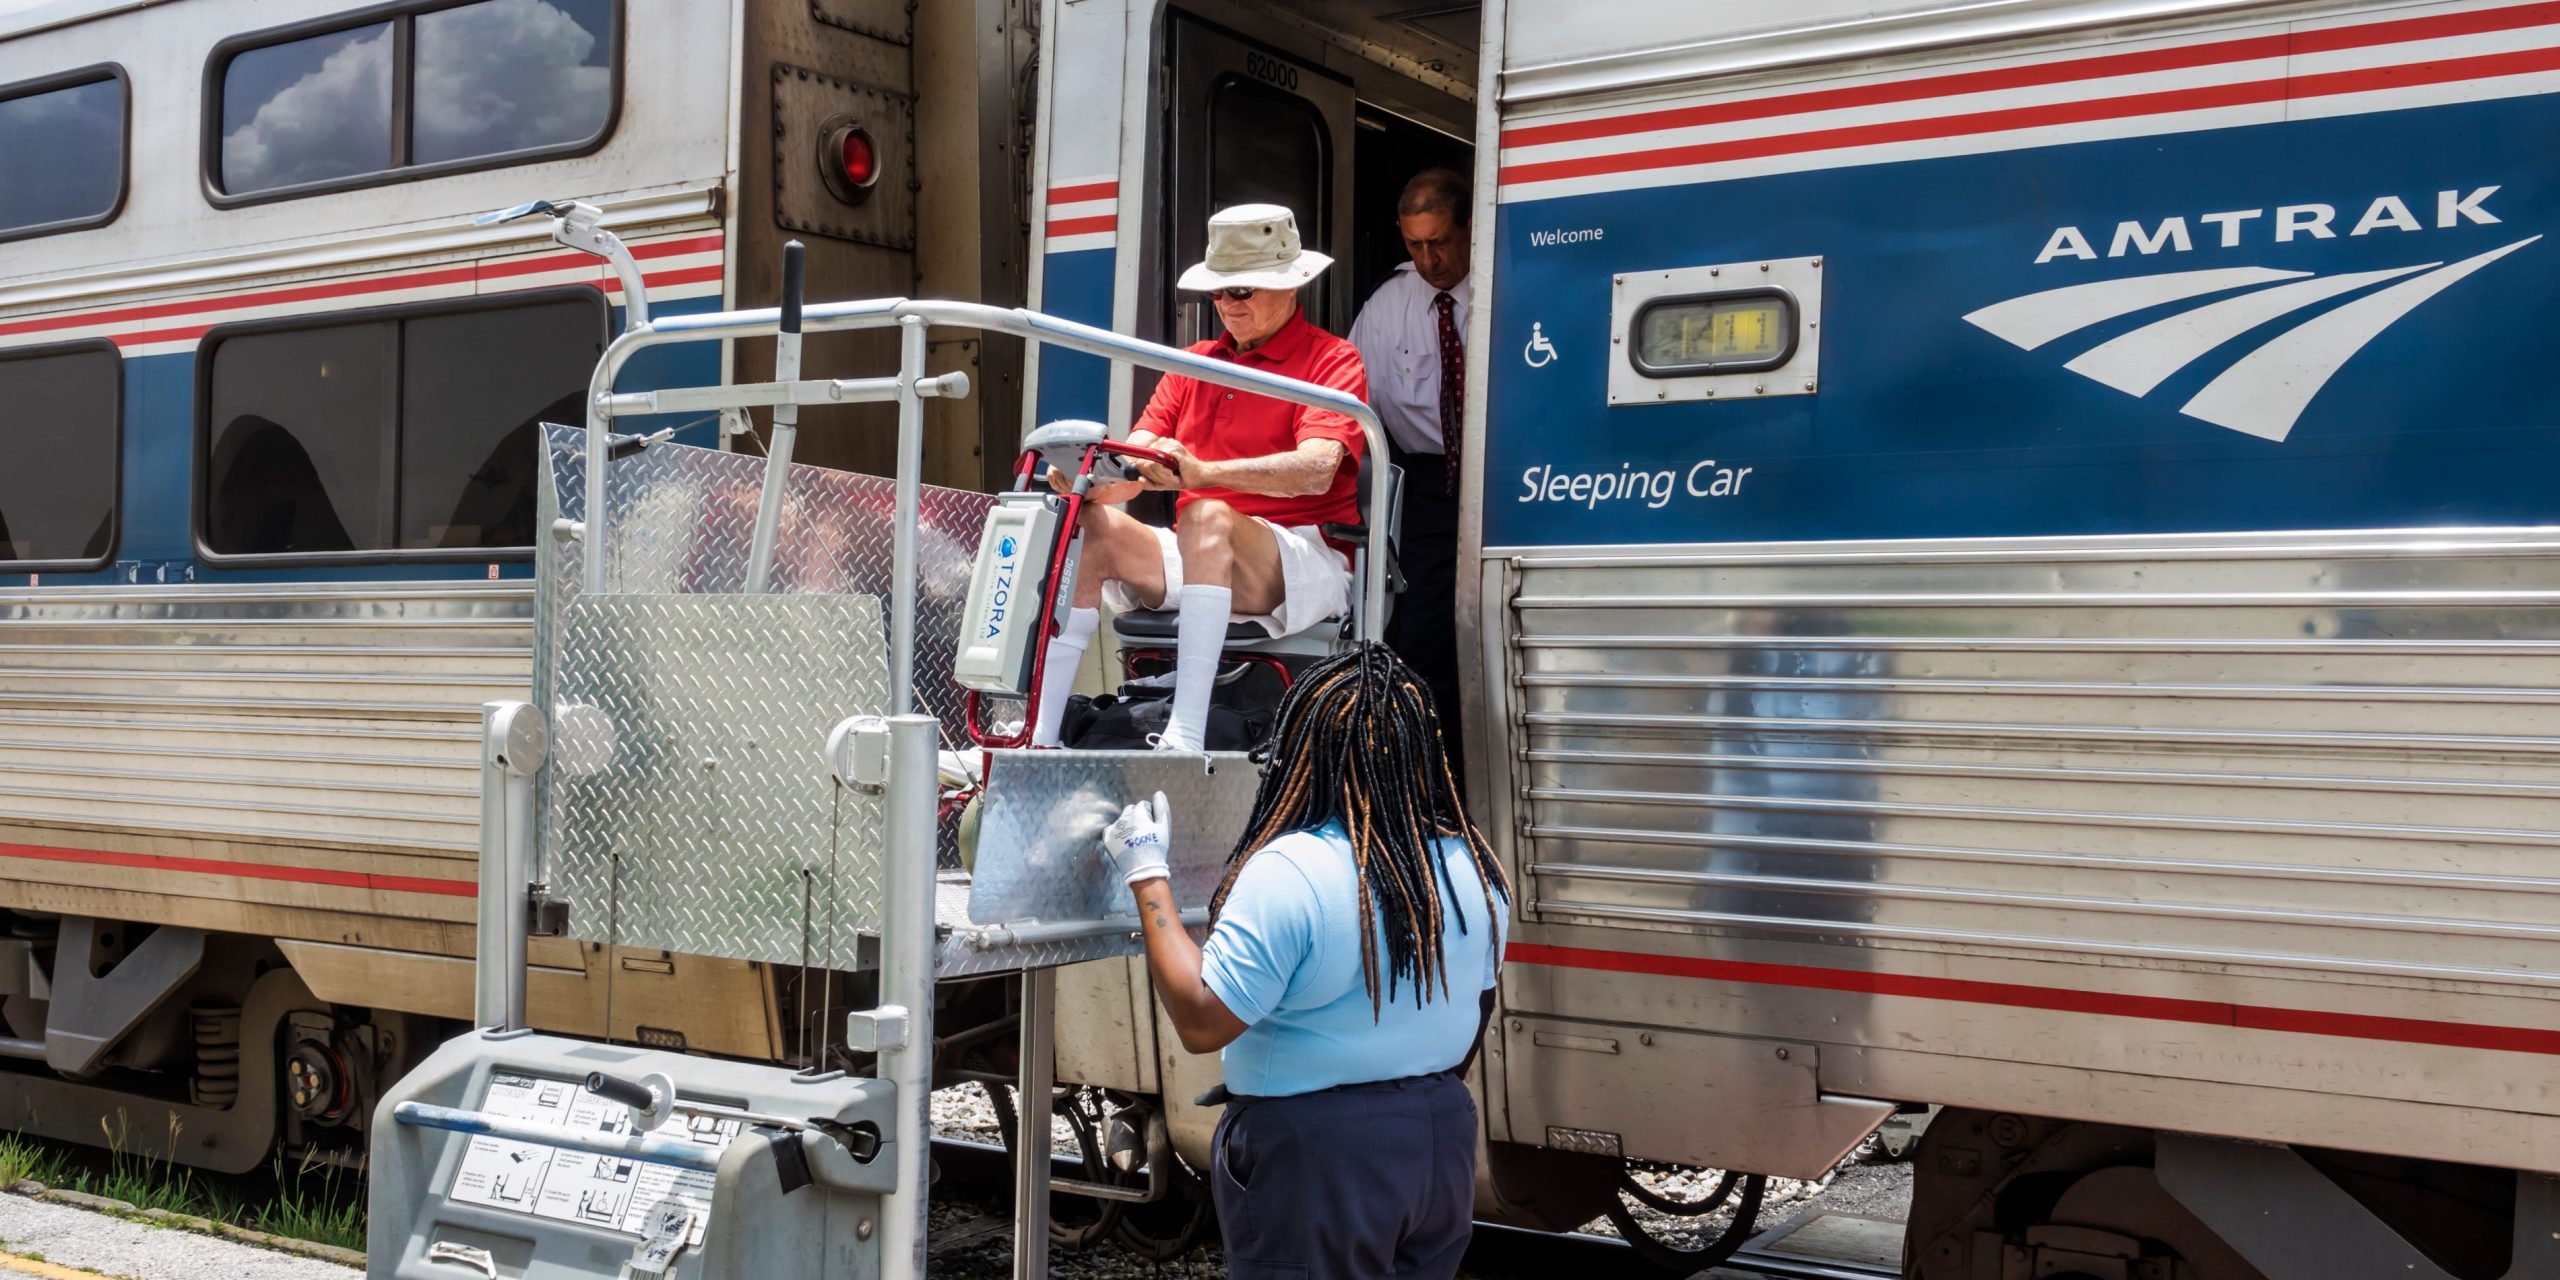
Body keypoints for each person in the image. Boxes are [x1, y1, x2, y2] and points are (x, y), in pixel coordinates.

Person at [1096, 643, 1510, 1279]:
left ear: (1305, 747)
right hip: (1437, 1138)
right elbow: (1475, 1015)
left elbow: (1204, 1019)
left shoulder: (1291, 871)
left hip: (1318, 1153)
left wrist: (1148, 874)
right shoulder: (1474, 870)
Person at [1028, 204, 1368, 752]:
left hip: (1305, 558)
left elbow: (1317, 469)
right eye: (1218, 292)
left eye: (1241, 292)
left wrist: (1203, 473)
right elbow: (1133, 472)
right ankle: (1039, 739)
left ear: (1289, 285)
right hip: (1206, 549)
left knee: (1204, 513)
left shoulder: (1332, 359)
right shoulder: (1193, 362)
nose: (1226, 306)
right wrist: (1082, 482)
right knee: (1091, 523)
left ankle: (1183, 735)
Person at [1348, 168, 1471, 771]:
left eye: (1441, 242)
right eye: (1415, 245)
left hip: (1506, 475)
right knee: (1424, 637)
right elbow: (1348, 408)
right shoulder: (1388, 307)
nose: (1429, 259)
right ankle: (1431, 780)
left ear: (1471, 228)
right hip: (1427, 484)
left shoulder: (1514, 285)